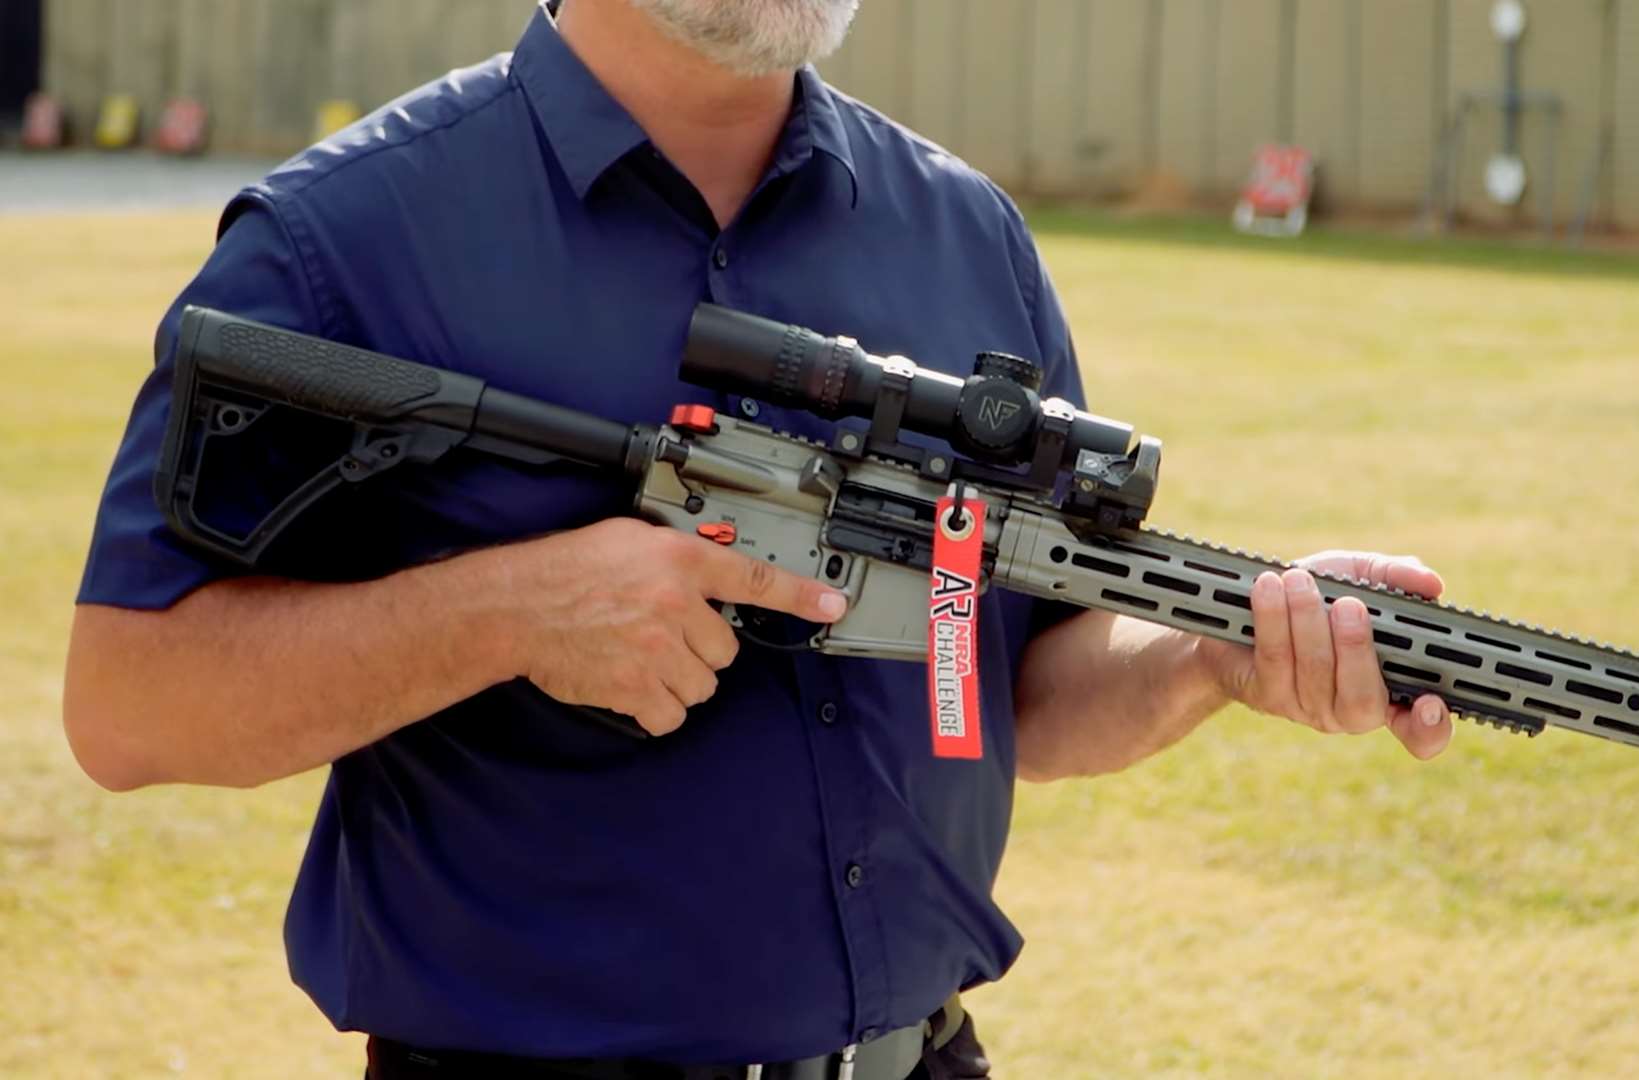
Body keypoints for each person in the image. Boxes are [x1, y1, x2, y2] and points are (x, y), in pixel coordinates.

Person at [62, 1, 1454, 1076]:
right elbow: (128, 706)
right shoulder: (343, 241)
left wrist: (1213, 653)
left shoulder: (962, 235)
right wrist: (503, 613)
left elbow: (1004, 684)